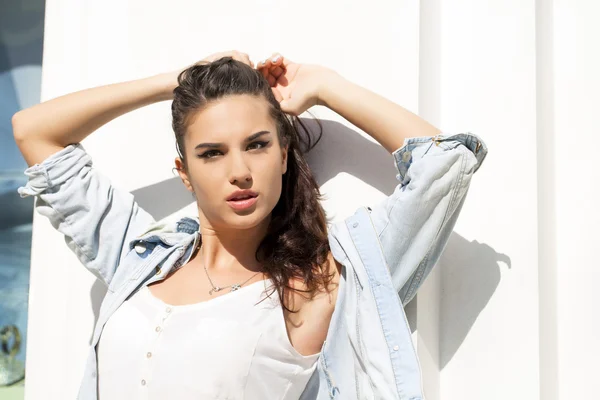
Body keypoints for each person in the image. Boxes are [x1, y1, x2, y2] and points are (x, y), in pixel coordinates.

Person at [13, 50, 487, 399]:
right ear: (185, 172)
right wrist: (177, 81)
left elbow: (444, 164)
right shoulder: (139, 261)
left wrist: (324, 84)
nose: (238, 170)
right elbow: (34, 131)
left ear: (284, 154)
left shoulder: (320, 281)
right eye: (212, 153)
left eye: (257, 145)